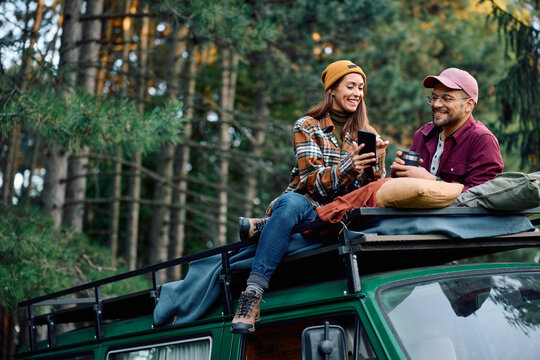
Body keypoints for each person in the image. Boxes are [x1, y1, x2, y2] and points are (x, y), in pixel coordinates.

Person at [231, 60, 389, 334]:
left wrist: (378, 160)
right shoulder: (307, 126)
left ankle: (264, 225)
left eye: (361, 88)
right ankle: (252, 294)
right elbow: (312, 182)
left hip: (342, 209)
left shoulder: (365, 132)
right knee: (290, 203)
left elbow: (372, 189)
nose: (357, 93)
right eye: (350, 86)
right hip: (308, 203)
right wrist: (348, 165)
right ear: (332, 90)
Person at [390, 68, 503, 191]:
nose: (436, 104)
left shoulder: (482, 140)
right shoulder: (423, 134)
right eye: (434, 97)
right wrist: (400, 172)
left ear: (469, 105)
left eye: (447, 98)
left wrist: (432, 181)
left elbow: (482, 197)